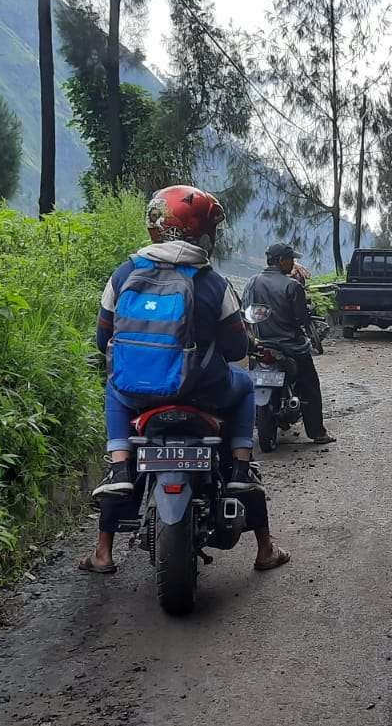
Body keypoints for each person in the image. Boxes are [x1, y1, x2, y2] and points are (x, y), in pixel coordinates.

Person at [83, 185, 290, 574]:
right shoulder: (212, 283)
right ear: (204, 233)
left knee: (115, 387)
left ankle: (118, 476)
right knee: (245, 385)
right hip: (204, 392)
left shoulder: (124, 273)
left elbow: (102, 338)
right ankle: (247, 483)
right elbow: (233, 350)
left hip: (139, 394)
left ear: (156, 226)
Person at [244, 243, 338, 445]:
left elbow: (247, 312)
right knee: (310, 386)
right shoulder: (292, 285)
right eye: (291, 259)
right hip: (291, 348)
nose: (293, 263)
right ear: (280, 261)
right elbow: (302, 319)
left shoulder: (252, 282)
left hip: (261, 347)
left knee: (250, 383)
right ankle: (317, 432)